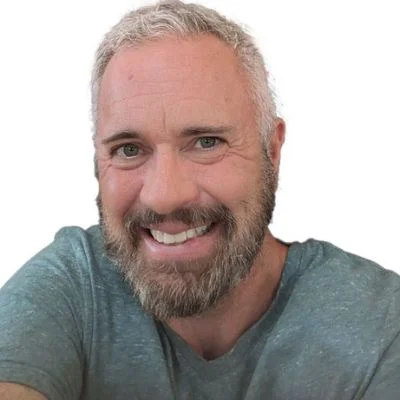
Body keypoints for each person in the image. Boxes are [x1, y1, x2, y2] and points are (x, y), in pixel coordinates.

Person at [0, 1, 399, 398]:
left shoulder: (379, 328)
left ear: (272, 151)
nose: (164, 197)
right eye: (128, 149)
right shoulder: (72, 288)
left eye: (207, 143)